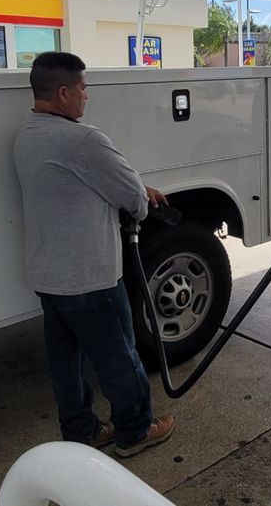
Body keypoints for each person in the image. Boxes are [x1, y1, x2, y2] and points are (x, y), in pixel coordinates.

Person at [12, 51, 175, 457]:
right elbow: (132, 198)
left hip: (49, 276)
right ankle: (135, 431)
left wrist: (133, 189)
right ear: (63, 92)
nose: (87, 96)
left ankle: (81, 431)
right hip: (90, 277)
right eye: (83, 88)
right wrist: (140, 198)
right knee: (119, 357)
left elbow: (73, 185)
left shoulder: (26, 135)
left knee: (66, 362)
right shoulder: (83, 139)